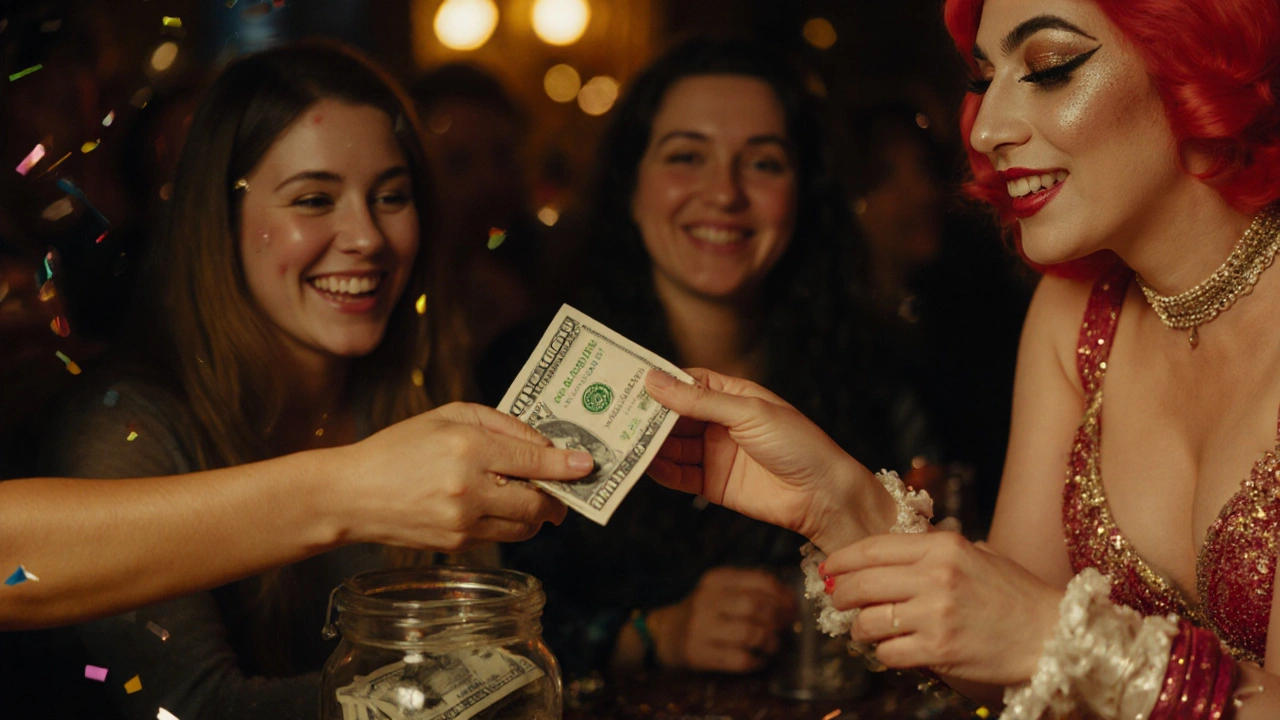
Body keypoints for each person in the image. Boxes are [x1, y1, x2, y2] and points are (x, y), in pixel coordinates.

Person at [641, 0, 1280, 717]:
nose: (986, 126)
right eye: (985, 77)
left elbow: (1032, 639)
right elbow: (994, 657)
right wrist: (843, 505)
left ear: (1201, 60)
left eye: (1048, 67)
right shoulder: (1072, 318)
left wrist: (1056, 640)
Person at [30, 41, 591, 720]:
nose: (366, 237)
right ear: (222, 221)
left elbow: (483, 651)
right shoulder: (122, 428)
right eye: (314, 199)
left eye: (391, 196)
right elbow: (186, 708)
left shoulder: (418, 395)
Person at [493, 36, 939, 677]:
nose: (724, 193)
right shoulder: (521, 368)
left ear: (803, 193)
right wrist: (651, 634)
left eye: (762, 164)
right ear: (631, 186)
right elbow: (477, 618)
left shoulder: (878, 382)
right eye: (686, 156)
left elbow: (934, 603)